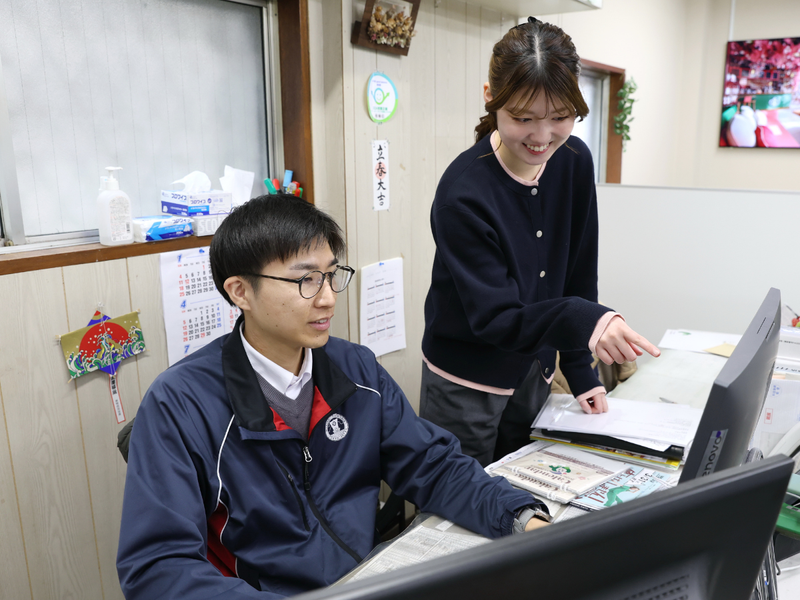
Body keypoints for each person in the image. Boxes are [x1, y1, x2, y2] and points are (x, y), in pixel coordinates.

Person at [116, 194, 551, 600]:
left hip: (366, 580)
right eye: (305, 280)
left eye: (330, 275)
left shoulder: (356, 368)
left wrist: (520, 517)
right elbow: (157, 567)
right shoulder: (180, 403)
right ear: (240, 291)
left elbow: (432, 466)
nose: (326, 299)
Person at [419, 17, 661, 468]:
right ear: (491, 98)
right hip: (466, 381)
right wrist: (586, 320)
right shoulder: (463, 193)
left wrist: (581, 370)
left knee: (521, 496)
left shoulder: (573, 161)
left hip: (535, 369)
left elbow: (576, 273)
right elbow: (497, 318)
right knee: (455, 502)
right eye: (523, 118)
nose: (542, 137)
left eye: (561, 117)